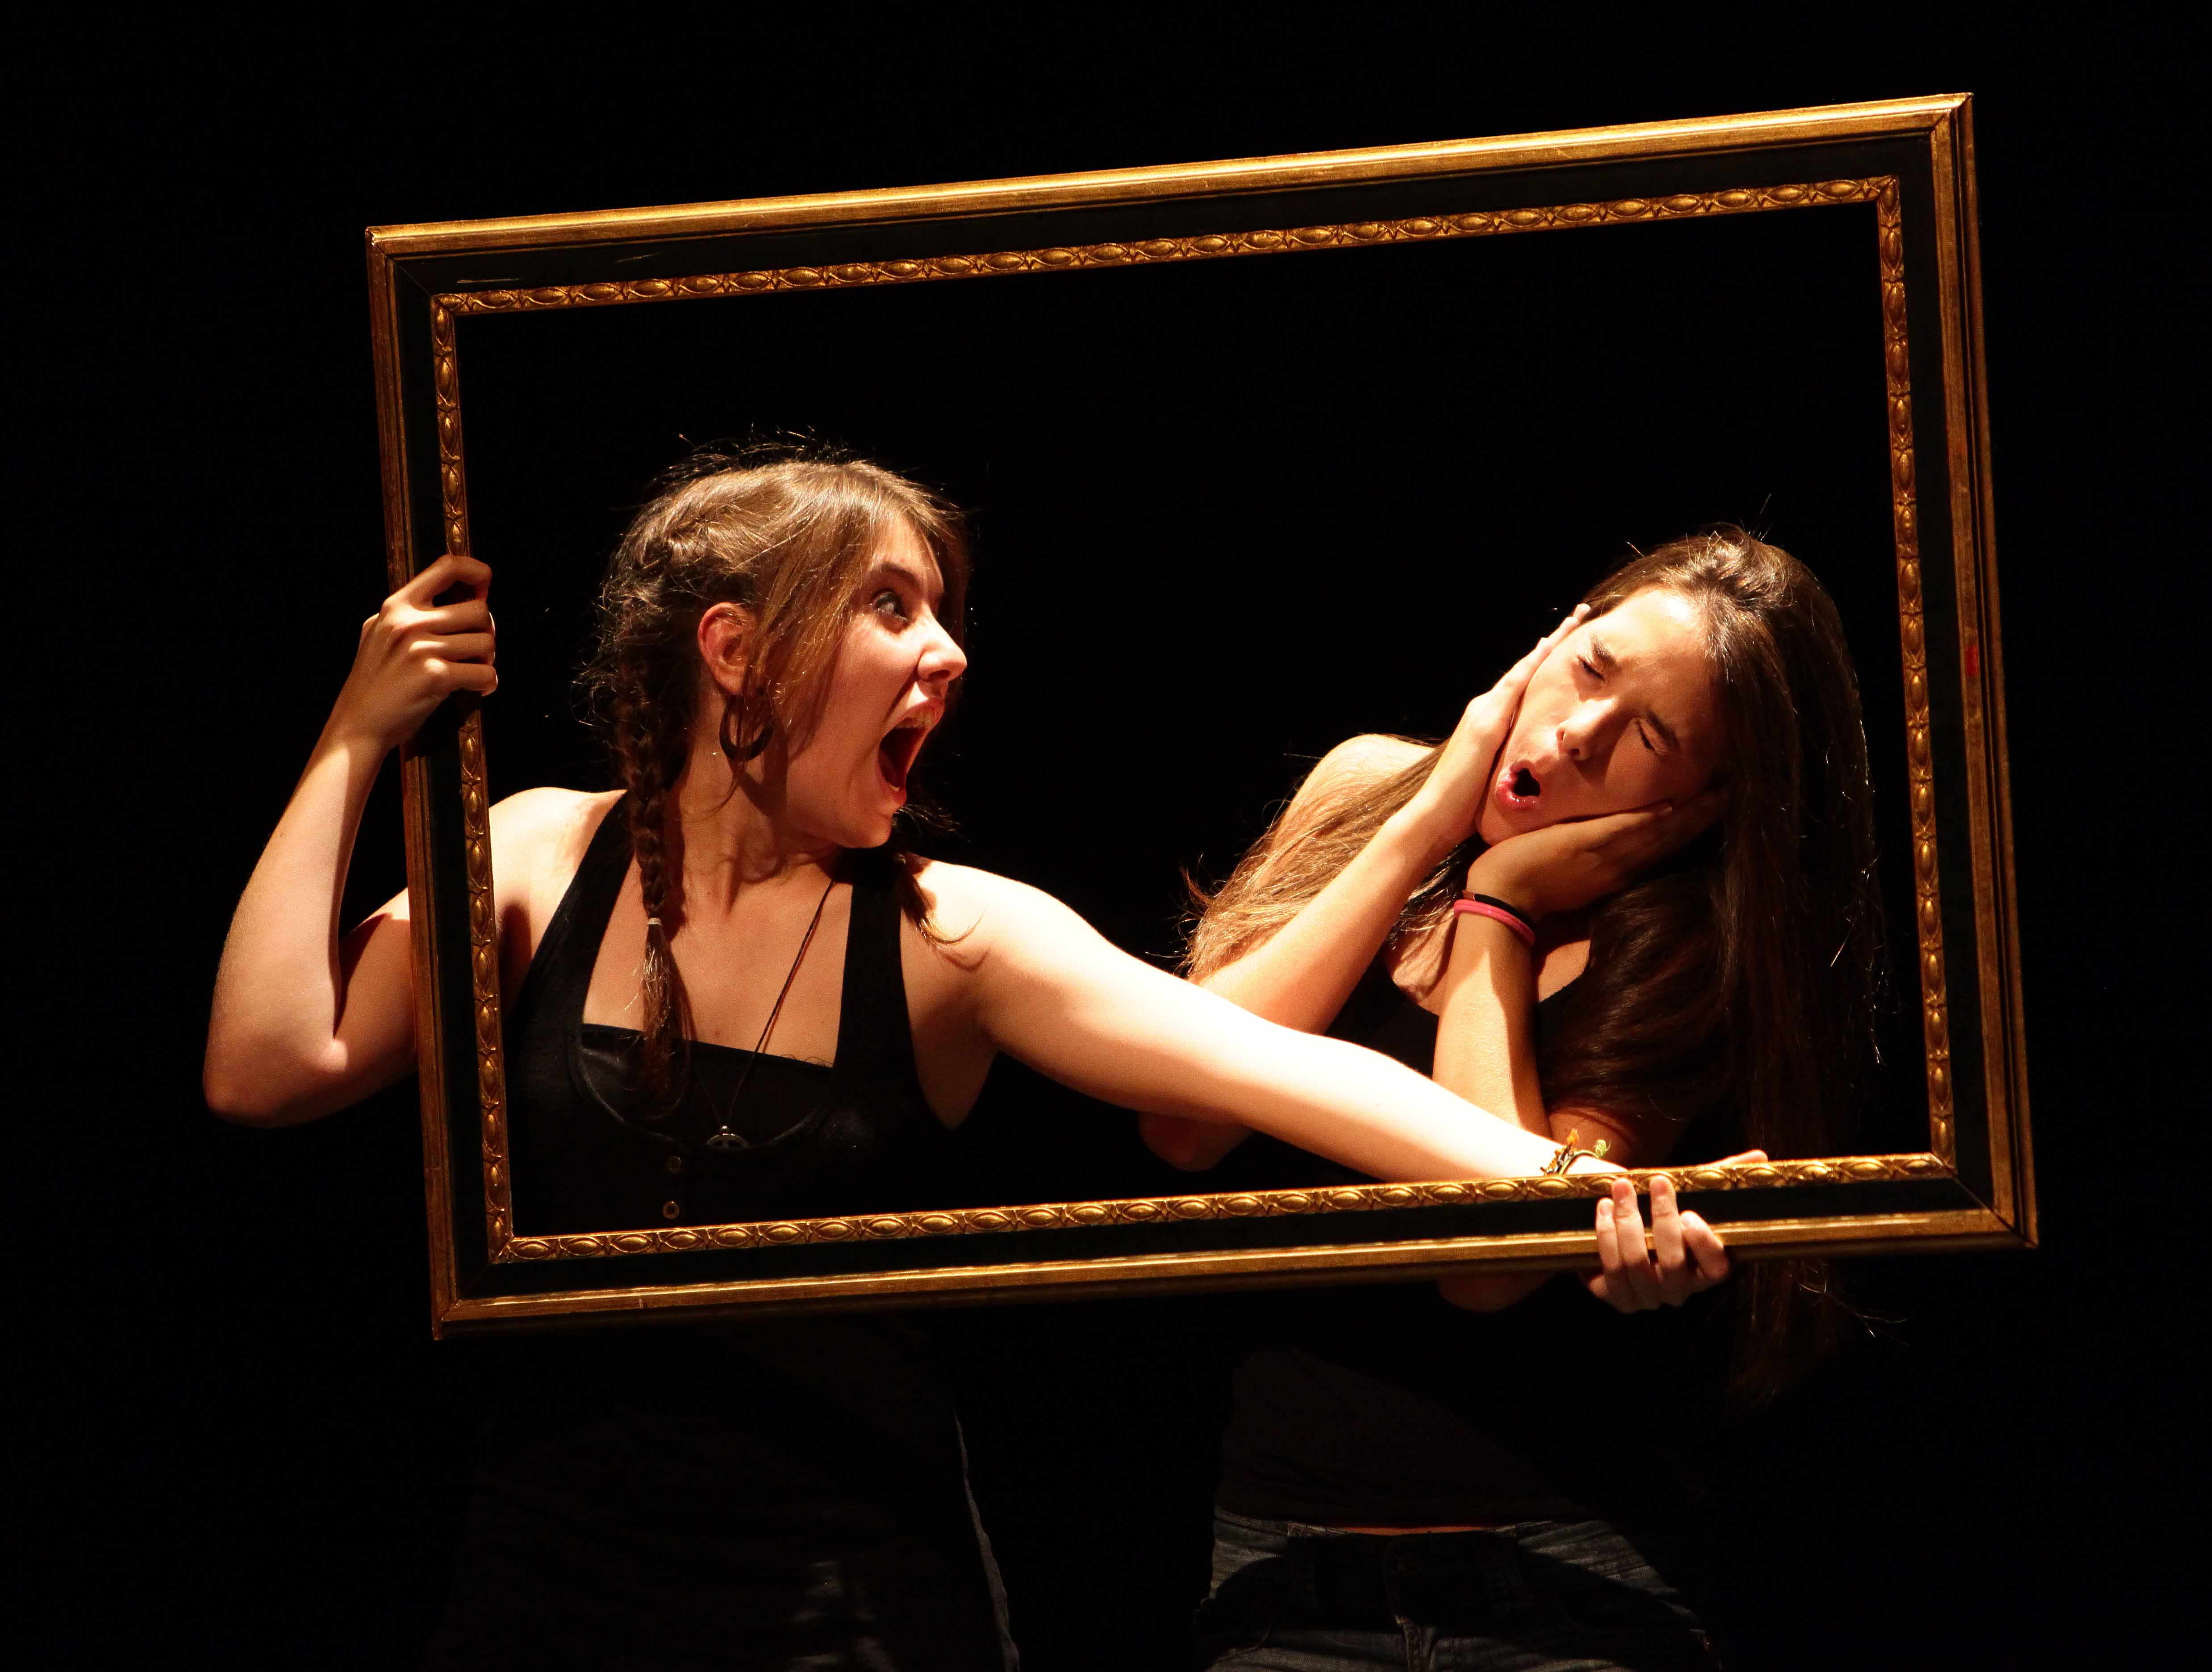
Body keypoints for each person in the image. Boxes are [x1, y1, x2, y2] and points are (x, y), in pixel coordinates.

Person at [202, 443, 1623, 1671]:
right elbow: (267, 1065)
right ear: (736, 650)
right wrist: (358, 732)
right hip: (548, 1585)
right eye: (891, 605)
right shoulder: (533, 856)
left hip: (859, 1607)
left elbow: (1289, 1075)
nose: (948, 653)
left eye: (942, 610)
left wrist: (1582, 1188)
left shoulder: (954, 935)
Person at [1142, 527, 1885, 1670]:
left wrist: (1498, 905)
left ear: (1701, 801)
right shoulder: (1361, 790)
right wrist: (1424, 823)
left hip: (1563, 1582)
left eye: (1651, 737)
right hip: (1283, 1570)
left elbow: (1486, 1262)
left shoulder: (1685, 941)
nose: (1579, 733)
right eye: (1588, 670)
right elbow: (1185, 1118)